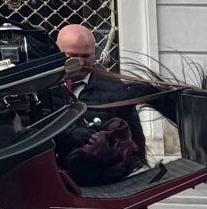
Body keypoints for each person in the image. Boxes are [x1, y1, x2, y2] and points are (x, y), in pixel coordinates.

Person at [55, 23, 148, 185]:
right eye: (73, 56)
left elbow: (133, 141)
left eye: (86, 56)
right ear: (58, 53)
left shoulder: (115, 88)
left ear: (94, 53)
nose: (80, 62)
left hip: (99, 179)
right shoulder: (41, 86)